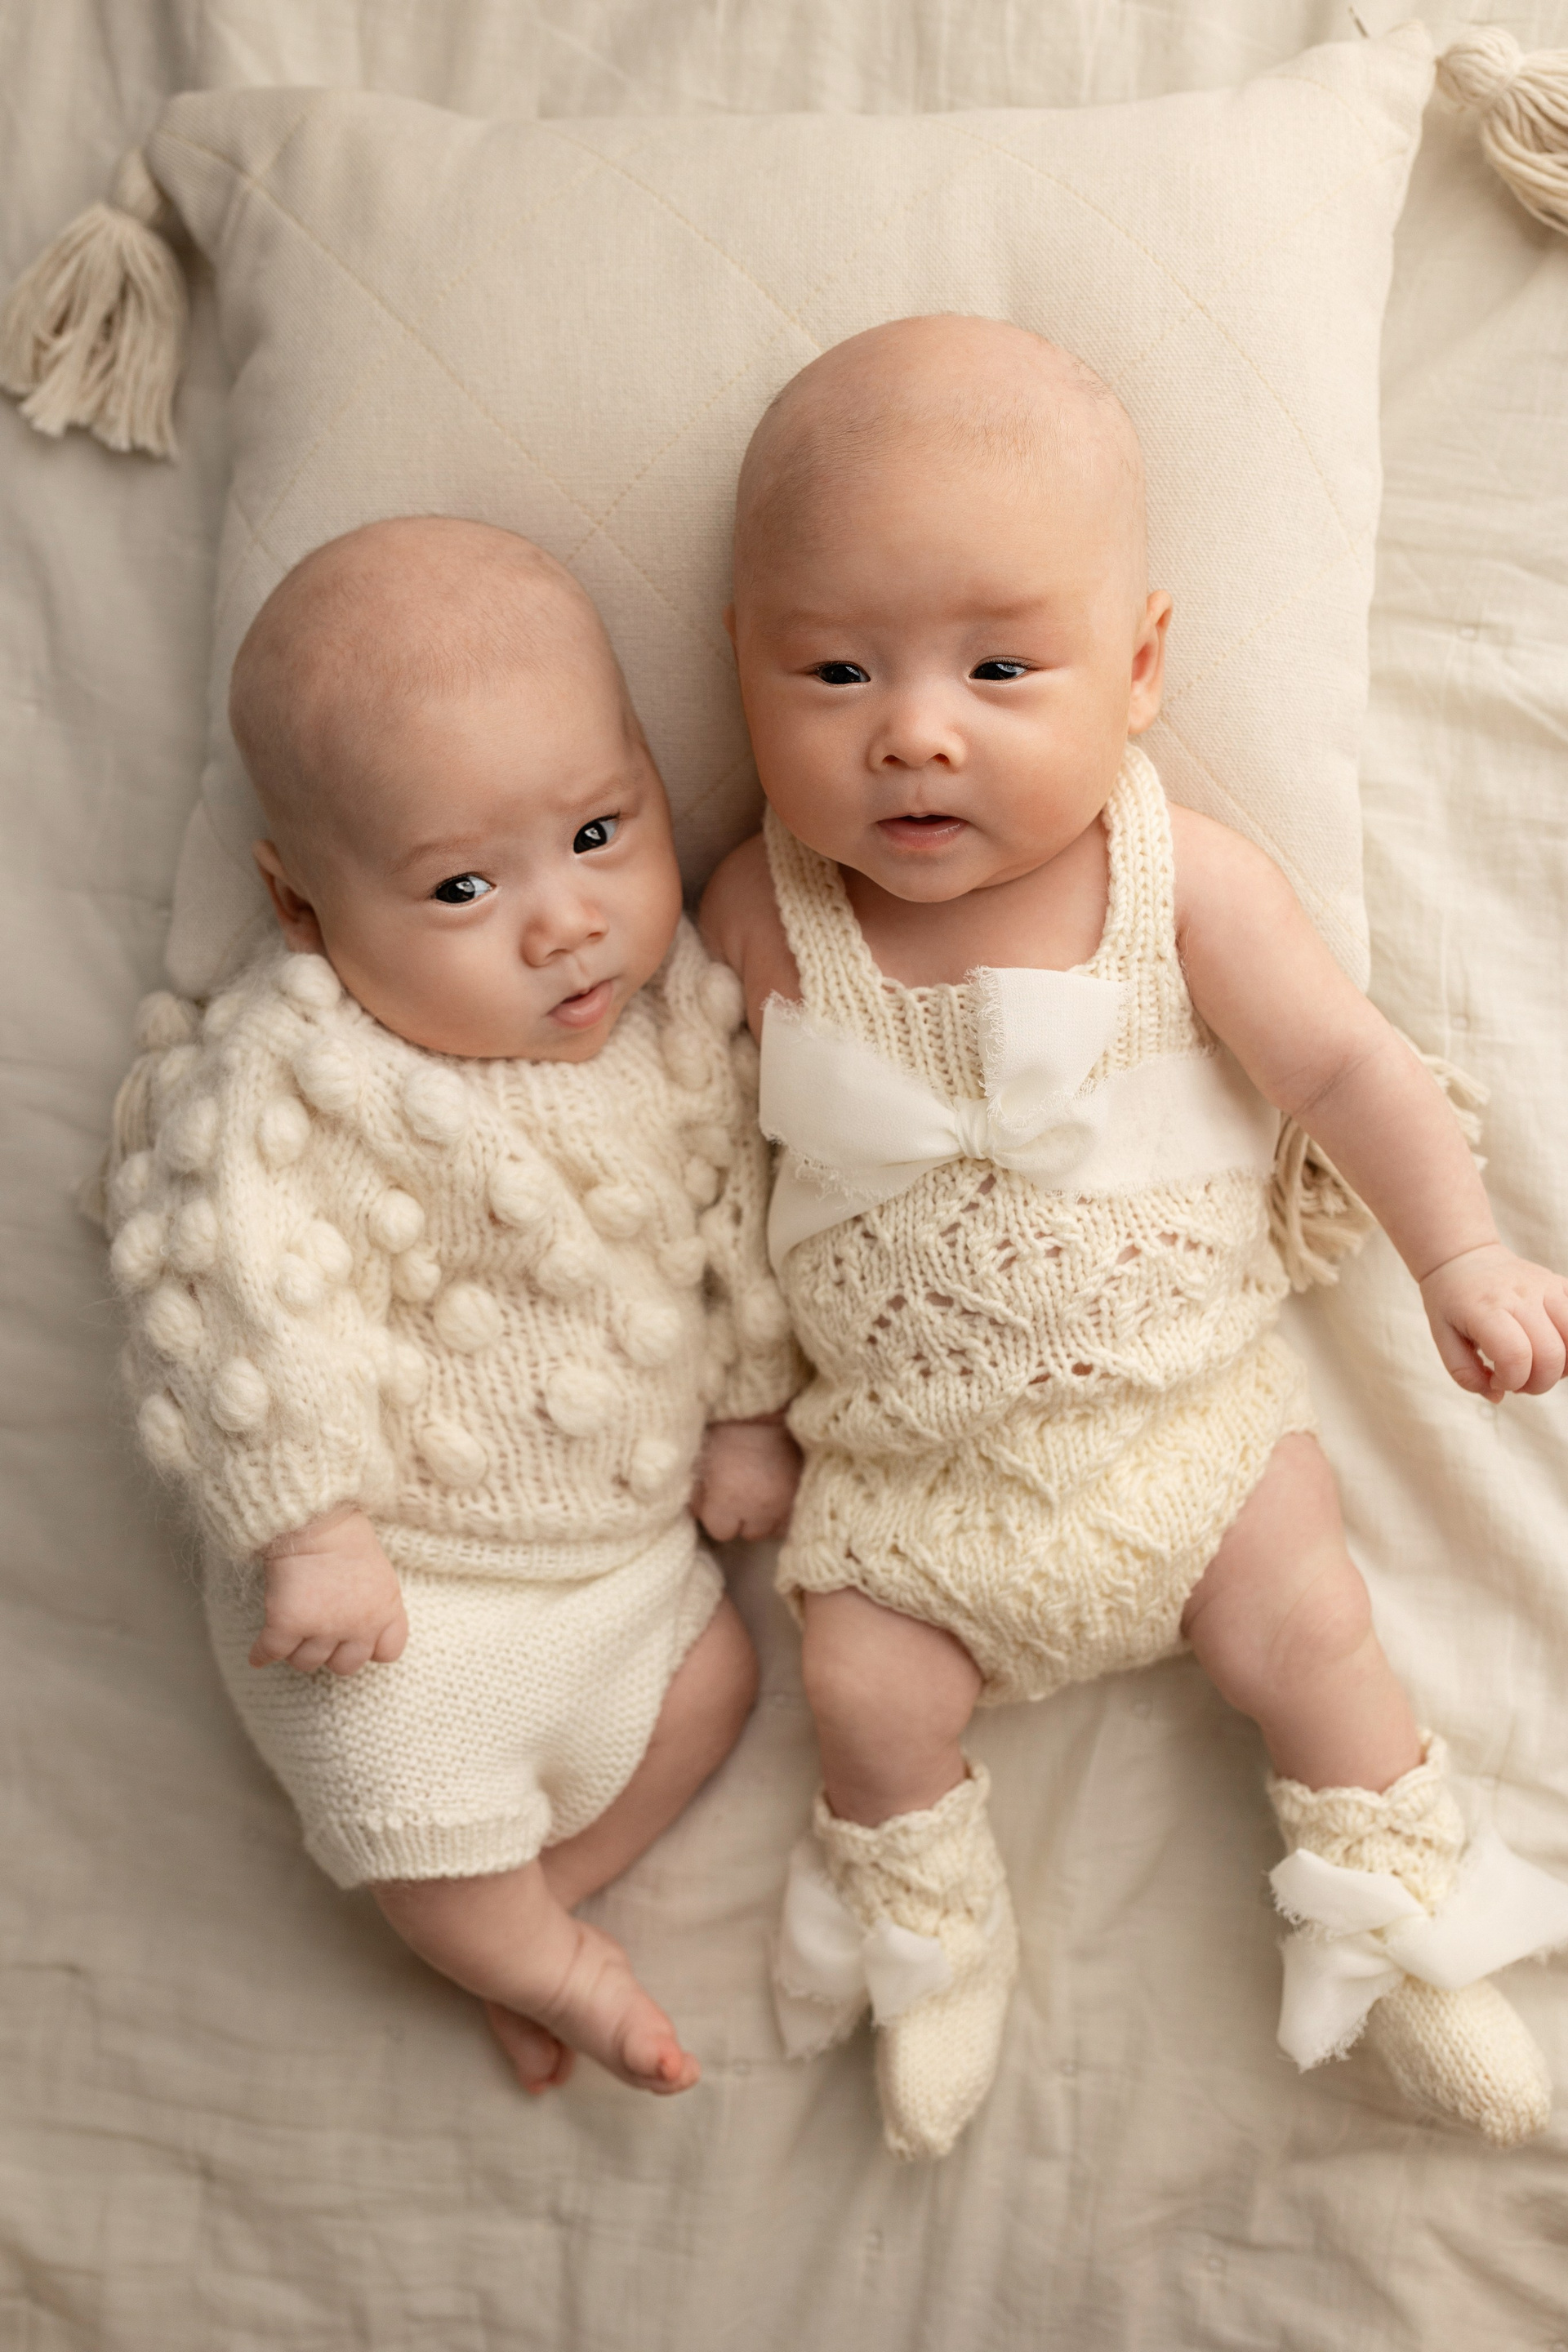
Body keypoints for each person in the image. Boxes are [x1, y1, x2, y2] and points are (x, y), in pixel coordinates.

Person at [702, 314, 1568, 2160]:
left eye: (1002, 666)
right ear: (739, 669)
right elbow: (697, 1184)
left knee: (1314, 1632)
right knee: (862, 1690)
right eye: (836, 670)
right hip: (910, 1488)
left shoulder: (1174, 881)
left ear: (1143, 666)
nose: (914, 729)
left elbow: (1345, 1066)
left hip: (1194, 1442)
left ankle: (1399, 1923)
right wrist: (739, 1410)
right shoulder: (758, 919)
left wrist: (1463, 1256)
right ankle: (932, 1934)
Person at [107, 516, 800, 2100]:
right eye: (465, 885)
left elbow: (737, 1212)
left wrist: (751, 1407)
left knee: (719, 1686)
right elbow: (225, 1294)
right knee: (395, 1790)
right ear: (302, 911)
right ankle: (538, 1960)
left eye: (601, 831)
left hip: (627, 1566)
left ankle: (539, 1908)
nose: (564, 922)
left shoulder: (675, 1017)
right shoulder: (300, 1073)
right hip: (395, 1587)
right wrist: (308, 1529)